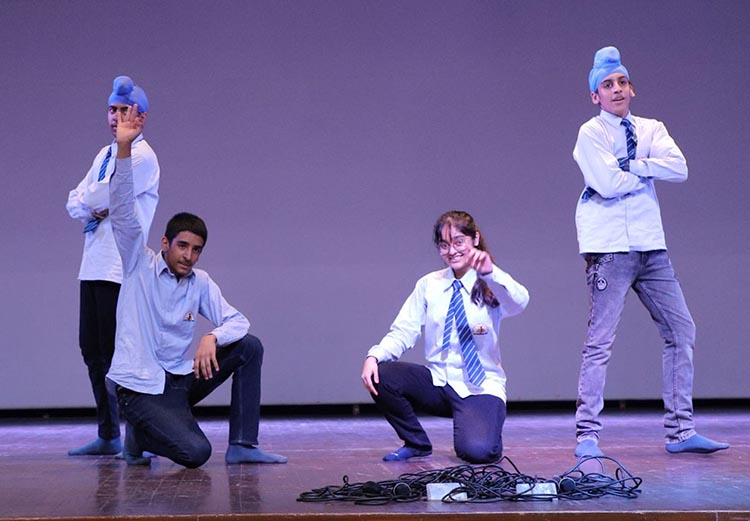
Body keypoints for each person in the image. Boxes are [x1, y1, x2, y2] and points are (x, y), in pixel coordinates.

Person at [105, 105, 286, 468]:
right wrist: (124, 150)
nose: (189, 256)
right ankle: (139, 432)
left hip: (178, 381)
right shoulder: (138, 264)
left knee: (248, 347)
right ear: (165, 243)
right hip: (139, 386)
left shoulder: (199, 282)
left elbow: (239, 321)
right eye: (183, 246)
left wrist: (212, 337)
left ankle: (242, 445)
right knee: (197, 453)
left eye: (197, 250)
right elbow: (123, 210)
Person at [572, 46, 729, 457]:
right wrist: (641, 168)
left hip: (651, 246)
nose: (617, 89)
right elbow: (606, 183)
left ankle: (680, 431)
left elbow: (679, 168)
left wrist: (634, 165)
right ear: (596, 96)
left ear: (632, 88)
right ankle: (587, 435)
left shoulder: (652, 128)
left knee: (682, 331)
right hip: (609, 248)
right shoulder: (591, 133)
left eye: (622, 82)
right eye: (607, 85)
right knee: (600, 342)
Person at [361, 211, 529, 463]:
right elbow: (405, 329)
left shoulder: (489, 282)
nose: (452, 251)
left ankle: (485, 428)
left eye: (458, 242)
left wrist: (490, 273)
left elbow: (519, 302)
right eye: (444, 245)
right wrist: (374, 355)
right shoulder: (430, 284)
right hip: (439, 382)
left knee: (477, 452)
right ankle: (416, 443)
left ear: (475, 239)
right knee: (382, 375)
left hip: (479, 387)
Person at [65, 76, 160, 456]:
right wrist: (91, 203)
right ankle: (108, 433)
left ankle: (140, 437)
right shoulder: (104, 154)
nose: (116, 116)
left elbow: (100, 193)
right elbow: (75, 201)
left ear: (141, 116)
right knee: (92, 350)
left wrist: (91, 200)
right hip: (92, 264)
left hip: (119, 267)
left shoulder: (142, 156)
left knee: (120, 355)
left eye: (124, 110)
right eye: (112, 109)